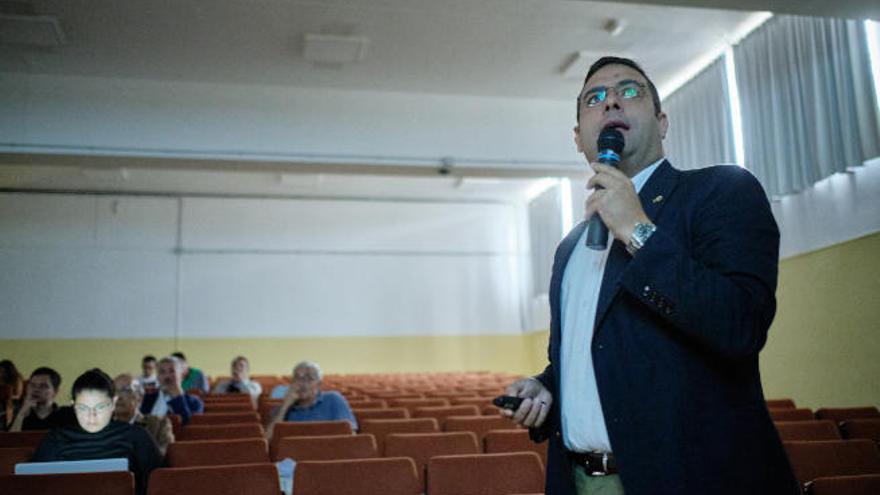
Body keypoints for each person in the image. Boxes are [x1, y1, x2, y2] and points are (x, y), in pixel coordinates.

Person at [503, 57, 800, 495]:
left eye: (630, 90)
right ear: (577, 137)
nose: (612, 103)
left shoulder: (722, 191)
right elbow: (592, 353)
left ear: (662, 123)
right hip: (581, 481)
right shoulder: (569, 249)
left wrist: (638, 230)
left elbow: (739, 325)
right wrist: (546, 388)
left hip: (694, 479)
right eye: (595, 98)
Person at [32, 368, 163, 495]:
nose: (92, 415)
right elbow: (36, 485)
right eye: (83, 408)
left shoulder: (136, 435)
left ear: (113, 404)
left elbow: (159, 483)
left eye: (100, 407)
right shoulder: (56, 438)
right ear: (73, 406)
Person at [266, 361, 356, 439]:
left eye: (309, 378)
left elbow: (350, 435)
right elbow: (268, 440)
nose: (302, 383)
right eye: (298, 378)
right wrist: (285, 405)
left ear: (319, 384)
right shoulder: (282, 409)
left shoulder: (333, 399)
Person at [113, 373, 174, 455]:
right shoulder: (102, 427)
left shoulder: (159, 424)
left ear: (140, 397)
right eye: (113, 391)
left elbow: (164, 456)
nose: (118, 397)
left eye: (126, 390)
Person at [140, 355, 203, 425]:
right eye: (162, 372)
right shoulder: (147, 399)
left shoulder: (194, 402)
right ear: (157, 377)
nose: (167, 376)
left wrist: (178, 396)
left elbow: (188, 425)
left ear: (181, 376)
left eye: (172, 371)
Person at [7, 367, 71, 432]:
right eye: (32, 385)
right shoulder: (19, 412)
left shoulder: (64, 414)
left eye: (43, 386)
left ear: (55, 391)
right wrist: (21, 415)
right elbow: (10, 440)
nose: (36, 389)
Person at [0, 359, 25, 428]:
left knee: (8, 405)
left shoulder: (17, 378)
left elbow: (18, 395)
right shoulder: (1, 378)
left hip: (14, 401)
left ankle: (7, 426)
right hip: (3, 401)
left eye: (3, 371)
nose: (1, 373)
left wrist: (9, 397)